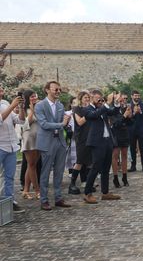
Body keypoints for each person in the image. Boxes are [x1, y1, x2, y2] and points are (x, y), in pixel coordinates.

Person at [35, 80, 73, 211]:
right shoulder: (40, 105)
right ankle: (44, 200)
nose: (58, 92)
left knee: (59, 171)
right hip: (47, 142)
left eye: (59, 90)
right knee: (45, 172)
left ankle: (58, 198)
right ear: (47, 90)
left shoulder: (60, 105)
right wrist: (61, 124)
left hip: (60, 141)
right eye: (55, 89)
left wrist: (67, 122)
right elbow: (44, 124)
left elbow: (62, 122)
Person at [82, 90, 121, 204]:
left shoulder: (102, 108)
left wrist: (116, 103)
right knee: (95, 167)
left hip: (107, 141)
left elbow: (113, 112)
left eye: (101, 99)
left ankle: (105, 192)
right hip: (97, 142)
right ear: (91, 98)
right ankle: (87, 193)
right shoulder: (88, 109)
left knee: (105, 168)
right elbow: (94, 115)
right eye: (97, 99)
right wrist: (107, 103)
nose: (100, 101)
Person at [0, 87, 25, 213]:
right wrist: (12, 106)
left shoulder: (5, 103)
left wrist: (20, 107)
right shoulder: (8, 105)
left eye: (1, 90)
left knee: (9, 177)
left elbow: (20, 120)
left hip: (11, 146)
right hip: (0, 146)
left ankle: (9, 202)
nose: (2, 92)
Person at [69, 91, 92, 193]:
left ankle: (87, 182)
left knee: (89, 161)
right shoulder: (76, 109)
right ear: (81, 99)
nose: (87, 99)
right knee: (80, 161)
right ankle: (72, 184)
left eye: (88, 97)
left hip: (90, 136)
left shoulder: (90, 109)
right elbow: (80, 122)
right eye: (85, 97)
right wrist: (88, 114)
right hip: (81, 137)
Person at [20, 89, 40, 200]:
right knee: (32, 165)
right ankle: (37, 190)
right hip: (29, 139)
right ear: (27, 98)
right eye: (31, 97)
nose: (34, 98)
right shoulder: (25, 109)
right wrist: (32, 110)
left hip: (38, 138)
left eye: (35, 96)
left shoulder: (38, 107)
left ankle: (26, 190)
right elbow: (27, 123)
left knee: (31, 165)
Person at [111, 92, 132, 188]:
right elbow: (115, 123)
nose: (123, 100)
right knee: (115, 156)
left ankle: (124, 176)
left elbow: (130, 123)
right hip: (115, 134)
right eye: (121, 98)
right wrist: (124, 116)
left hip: (124, 133)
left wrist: (130, 115)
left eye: (125, 99)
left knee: (124, 155)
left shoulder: (125, 108)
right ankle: (115, 177)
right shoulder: (112, 109)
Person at [128, 90, 143, 172]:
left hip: (141, 129)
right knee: (132, 148)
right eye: (135, 96)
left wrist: (140, 112)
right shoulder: (129, 105)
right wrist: (133, 112)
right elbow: (127, 118)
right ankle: (133, 166)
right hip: (132, 130)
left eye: (138, 96)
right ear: (132, 96)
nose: (137, 97)